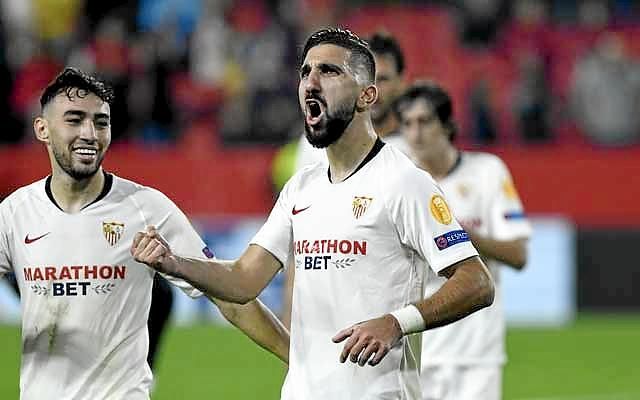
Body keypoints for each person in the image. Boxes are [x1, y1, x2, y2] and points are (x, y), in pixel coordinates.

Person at [132, 28, 495, 400]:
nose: (311, 82)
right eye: (305, 72)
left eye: (329, 71)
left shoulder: (403, 182)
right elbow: (242, 280)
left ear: (367, 95)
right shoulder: (301, 188)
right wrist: (174, 263)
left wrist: (396, 323)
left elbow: (477, 283)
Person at [0, 67, 289, 400]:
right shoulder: (15, 213)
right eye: (74, 120)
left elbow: (229, 297)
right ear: (42, 129)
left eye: (101, 122)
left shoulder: (146, 208)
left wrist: (297, 357)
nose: (90, 133)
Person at [394, 81, 532, 400]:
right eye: (407, 124)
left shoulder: (487, 172)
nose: (415, 133)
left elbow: (518, 254)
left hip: (476, 354)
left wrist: (460, 239)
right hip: (415, 350)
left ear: (448, 126)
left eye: (424, 121)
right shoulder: (398, 184)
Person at [281, 31, 409, 327]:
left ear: (402, 83)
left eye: (384, 79)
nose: (375, 87)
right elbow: (298, 243)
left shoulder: (414, 155)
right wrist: (290, 320)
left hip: (390, 318)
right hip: (326, 314)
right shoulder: (313, 148)